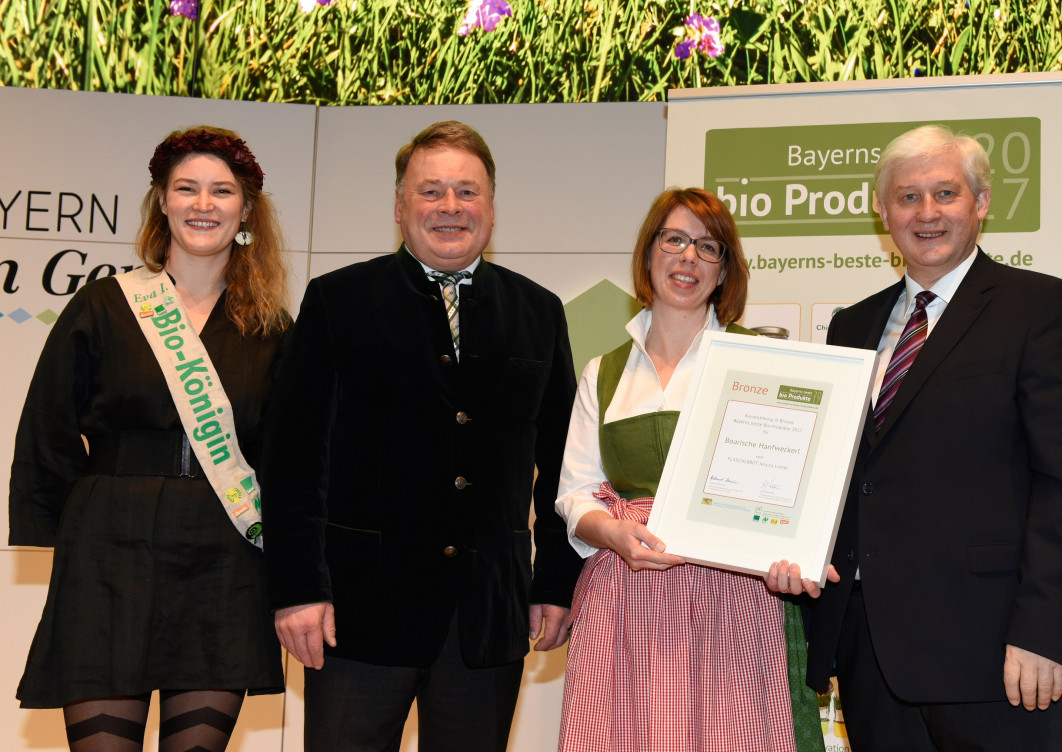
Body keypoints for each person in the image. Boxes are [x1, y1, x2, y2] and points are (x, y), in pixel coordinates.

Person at [768, 125, 1062, 751]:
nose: (926, 213)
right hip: (873, 654)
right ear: (882, 213)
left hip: (998, 656)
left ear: (980, 203)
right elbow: (844, 477)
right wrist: (791, 539)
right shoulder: (853, 325)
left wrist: (1046, 632)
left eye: (945, 193)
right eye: (907, 197)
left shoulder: (1043, 308)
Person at [261, 119, 581, 752]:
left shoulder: (539, 311)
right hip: (357, 615)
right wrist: (297, 588)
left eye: (467, 191)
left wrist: (554, 583)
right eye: (430, 191)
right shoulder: (336, 301)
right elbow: (294, 460)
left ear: (491, 205)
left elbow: (564, 467)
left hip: (486, 616)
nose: (450, 207)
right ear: (400, 206)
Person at [9, 126, 292, 751]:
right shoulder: (103, 307)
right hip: (108, 550)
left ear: (246, 211)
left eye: (222, 191)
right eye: (186, 188)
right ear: (161, 201)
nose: (203, 204)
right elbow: (47, 428)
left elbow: (291, 453)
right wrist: (57, 528)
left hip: (223, 555)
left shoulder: (272, 328)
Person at [556, 187, 822, 752]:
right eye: (674, 240)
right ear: (648, 253)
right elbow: (575, 493)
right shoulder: (603, 372)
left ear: (725, 271)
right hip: (628, 592)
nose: (688, 259)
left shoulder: (763, 361)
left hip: (736, 595)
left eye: (708, 248)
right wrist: (612, 533)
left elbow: (794, 485)